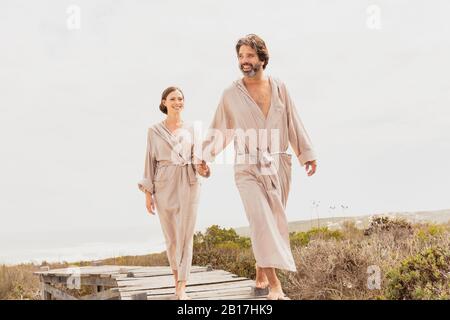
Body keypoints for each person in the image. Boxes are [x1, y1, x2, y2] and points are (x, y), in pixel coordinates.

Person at [198, 34, 317, 300]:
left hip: (278, 164)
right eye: (240, 56)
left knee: (273, 221)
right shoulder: (230, 94)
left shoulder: (280, 88)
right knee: (261, 221)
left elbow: (292, 120)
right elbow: (220, 127)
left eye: (249, 55)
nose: (244, 61)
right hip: (247, 166)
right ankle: (275, 285)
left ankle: (261, 269)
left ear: (262, 57)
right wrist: (204, 156)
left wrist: (305, 153)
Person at [138, 86, 210, 300]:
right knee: (171, 238)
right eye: (173, 99)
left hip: (188, 181)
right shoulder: (153, 130)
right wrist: (148, 194)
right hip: (163, 184)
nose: (178, 102)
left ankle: (182, 287)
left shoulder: (193, 129)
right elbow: (149, 162)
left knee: (186, 236)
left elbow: (199, 158)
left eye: (181, 98)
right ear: (164, 102)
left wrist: (203, 168)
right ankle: (175, 279)